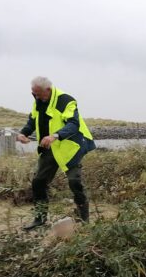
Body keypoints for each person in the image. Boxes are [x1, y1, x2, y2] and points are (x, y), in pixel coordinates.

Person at [17, 76, 96, 230]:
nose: (36, 96)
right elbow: (32, 120)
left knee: (75, 182)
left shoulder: (66, 100)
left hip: (70, 148)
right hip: (49, 148)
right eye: (34, 93)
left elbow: (74, 124)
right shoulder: (39, 100)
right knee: (38, 182)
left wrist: (55, 136)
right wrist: (23, 133)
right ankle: (39, 220)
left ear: (48, 89)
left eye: (38, 93)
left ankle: (84, 220)